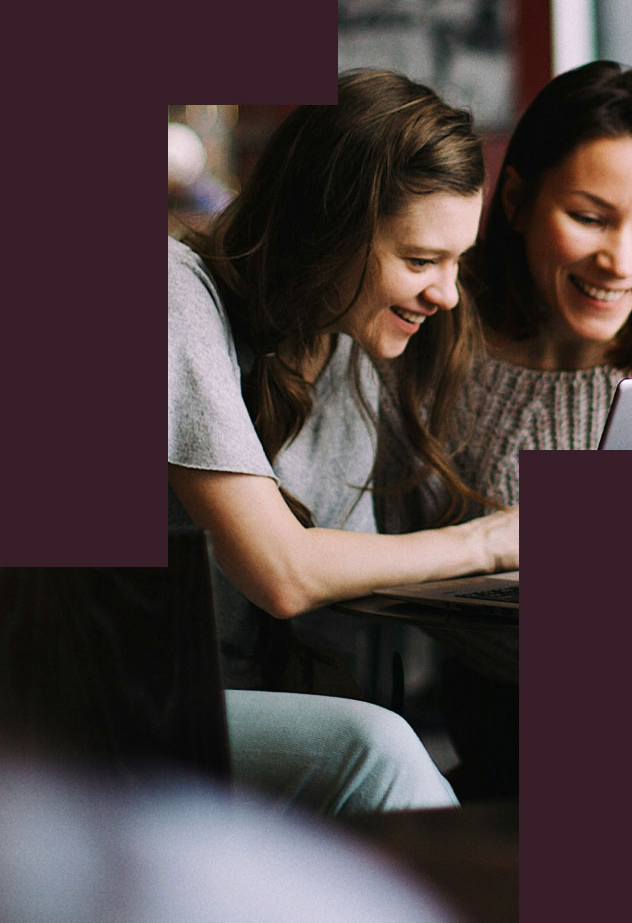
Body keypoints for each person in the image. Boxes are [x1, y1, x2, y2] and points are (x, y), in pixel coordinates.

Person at [377, 59, 632, 797]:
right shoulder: (431, 324)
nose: (620, 261)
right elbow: (396, 552)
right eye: (590, 218)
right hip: (509, 694)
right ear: (517, 200)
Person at [168, 70, 519, 813]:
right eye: (422, 261)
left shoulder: (345, 351)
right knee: (377, 750)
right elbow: (285, 574)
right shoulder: (171, 293)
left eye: (458, 262)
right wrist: (487, 543)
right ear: (326, 230)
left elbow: (349, 570)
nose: (448, 295)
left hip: (230, 698)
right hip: (96, 694)